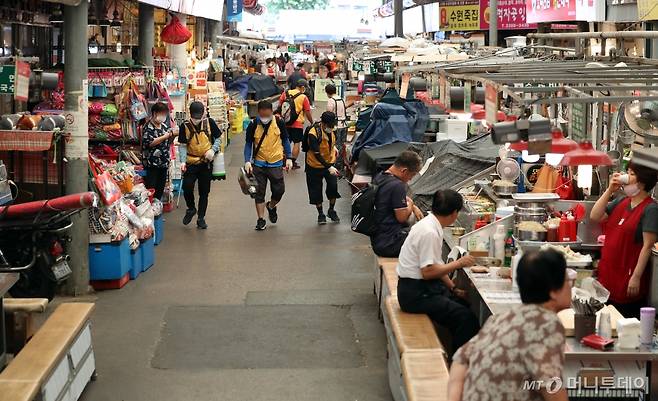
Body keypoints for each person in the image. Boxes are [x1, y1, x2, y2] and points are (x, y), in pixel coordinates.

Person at [448, 249, 572, 401]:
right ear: (553, 291)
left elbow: (460, 360)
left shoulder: (502, 317)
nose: (570, 286)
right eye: (568, 280)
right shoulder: (546, 323)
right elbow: (551, 387)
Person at [396, 189, 479, 351]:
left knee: (463, 304)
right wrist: (459, 263)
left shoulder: (429, 224)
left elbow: (436, 263)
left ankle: (453, 350)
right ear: (455, 213)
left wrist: (453, 288)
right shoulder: (429, 232)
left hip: (419, 288)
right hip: (415, 294)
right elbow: (428, 272)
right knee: (466, 319)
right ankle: (458, 364)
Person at [590, 161, 658, 318]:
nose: (625, 177)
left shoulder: (651, 209)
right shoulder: (621, 201)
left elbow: (647, 246)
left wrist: (636, 277)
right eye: (627, 172)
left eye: (632, 174)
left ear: (642, 182)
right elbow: (595, 216)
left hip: (627, 282)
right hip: (607, 279)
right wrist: (609, 190)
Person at [244, 100, 293, 231]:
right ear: (258, 113)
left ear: (272, 112)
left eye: (267, 115)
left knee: (279, 190)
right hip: (259, 164)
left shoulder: (279, 123)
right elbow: (248, 143)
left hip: (275, 163)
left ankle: (271, 206)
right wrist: (247, 161)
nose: (265, 118)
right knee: (259, 193)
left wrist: (289, 157)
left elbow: (285, 140)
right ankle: (260, 219)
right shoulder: (253, 125)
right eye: (262, 115)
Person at [370, 151, 424, 257]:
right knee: (427, 237)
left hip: (378, 239)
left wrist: (413, 207)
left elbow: (394, 198)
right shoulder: (397, 185)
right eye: (412, 175)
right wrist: (411, 204)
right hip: (390, 243)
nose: (410, 179)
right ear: (404, 171)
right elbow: (402, 217)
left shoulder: (380, 177)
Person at [178, 101, 222, 230]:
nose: (197, 119)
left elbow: (218, 138)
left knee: (204, 192)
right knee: (187, 187)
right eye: (194, 117)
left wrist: (212, 150)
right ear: (190, 114)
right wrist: (182, 161)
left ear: (203, 114)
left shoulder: (210, 123)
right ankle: (191, 208)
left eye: (199, 117)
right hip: (191, 162)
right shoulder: (184, 126)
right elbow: (182, 146)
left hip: (205, 163)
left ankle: (201, 218)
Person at [305, 111, 341, 225]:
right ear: (323, 124)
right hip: (314, 165)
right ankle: (320, 213)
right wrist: (329, 167)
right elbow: (317, 154)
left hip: (329, 162)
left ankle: (331, 210)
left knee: (333, 187)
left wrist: (334, 148)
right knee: (316, 190)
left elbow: (330, 142)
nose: (332, 128)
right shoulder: (313, 133)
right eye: (330, 126)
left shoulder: (331, 130)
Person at [142, 102, 175, 200]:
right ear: (155, 113)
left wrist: (172, 136)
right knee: (151, 188)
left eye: (165, 114)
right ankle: (151, 211)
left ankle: (158, 209)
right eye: (162, 114)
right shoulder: (148, 127)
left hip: (163, 163)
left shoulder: (164, 126)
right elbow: (149, 143)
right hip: (152, 164)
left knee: (160, 188)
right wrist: (165, 136)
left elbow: (168, 142)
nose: (163, 116)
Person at [279, 79, 313, 169]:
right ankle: (292, 162)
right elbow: (308, 112)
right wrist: (312, 122)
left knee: (285, 141)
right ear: (302, 87)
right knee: (296, 143)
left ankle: (283, 160)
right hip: (297, 124)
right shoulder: (303, 97)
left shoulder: (285, 93)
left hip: (285, 122)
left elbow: (280, 106)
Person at [325, 84, 353, 172]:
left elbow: (328, 115)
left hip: (336, 127)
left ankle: (336, 165)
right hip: (344, 125)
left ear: (327, 92)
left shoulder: (331, 100)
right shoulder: (341, 99)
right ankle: (341, 165)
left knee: (335, 145)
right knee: (342, 145)